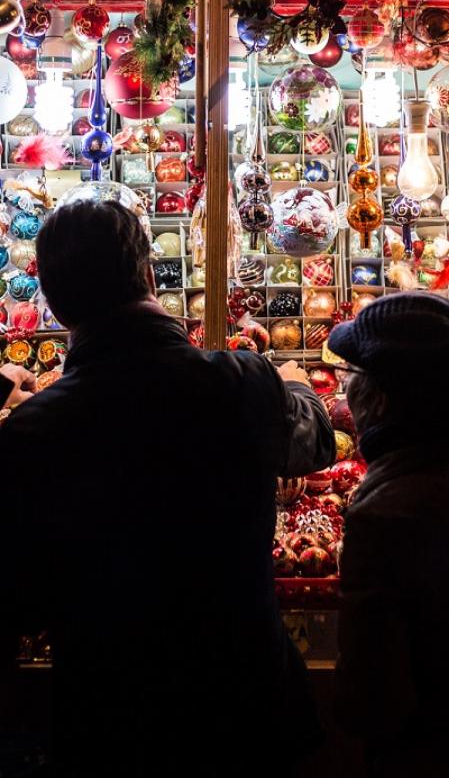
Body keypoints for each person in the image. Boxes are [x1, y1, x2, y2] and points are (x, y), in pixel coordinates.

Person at [0, 200, 335, 777]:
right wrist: (294, 385)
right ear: (150, 273)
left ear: (52, 301)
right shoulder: (242, 384)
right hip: (247, 713)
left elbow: (20, 602)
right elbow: (316, 446)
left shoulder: (32, 433)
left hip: (113, 725)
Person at [327, 292, 449, 778]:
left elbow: (369, 705)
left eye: (351, 376)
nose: (343, 392)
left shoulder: (385, 518)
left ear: (381, 397)